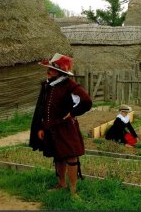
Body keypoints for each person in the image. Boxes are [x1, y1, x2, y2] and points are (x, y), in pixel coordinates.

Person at [29, 53, 92, 199]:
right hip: (51, 128)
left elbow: (87, 101)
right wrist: (41, 127)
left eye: (51, 69)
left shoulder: (70, 86)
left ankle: (73, 192)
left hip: (66, 128)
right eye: (48, 68)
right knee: (58, 156)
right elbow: (42, 108)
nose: (48, 71)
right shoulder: (48, 85)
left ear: (60, 72)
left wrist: (73, 113)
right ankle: (61, 184)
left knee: (71, 158)